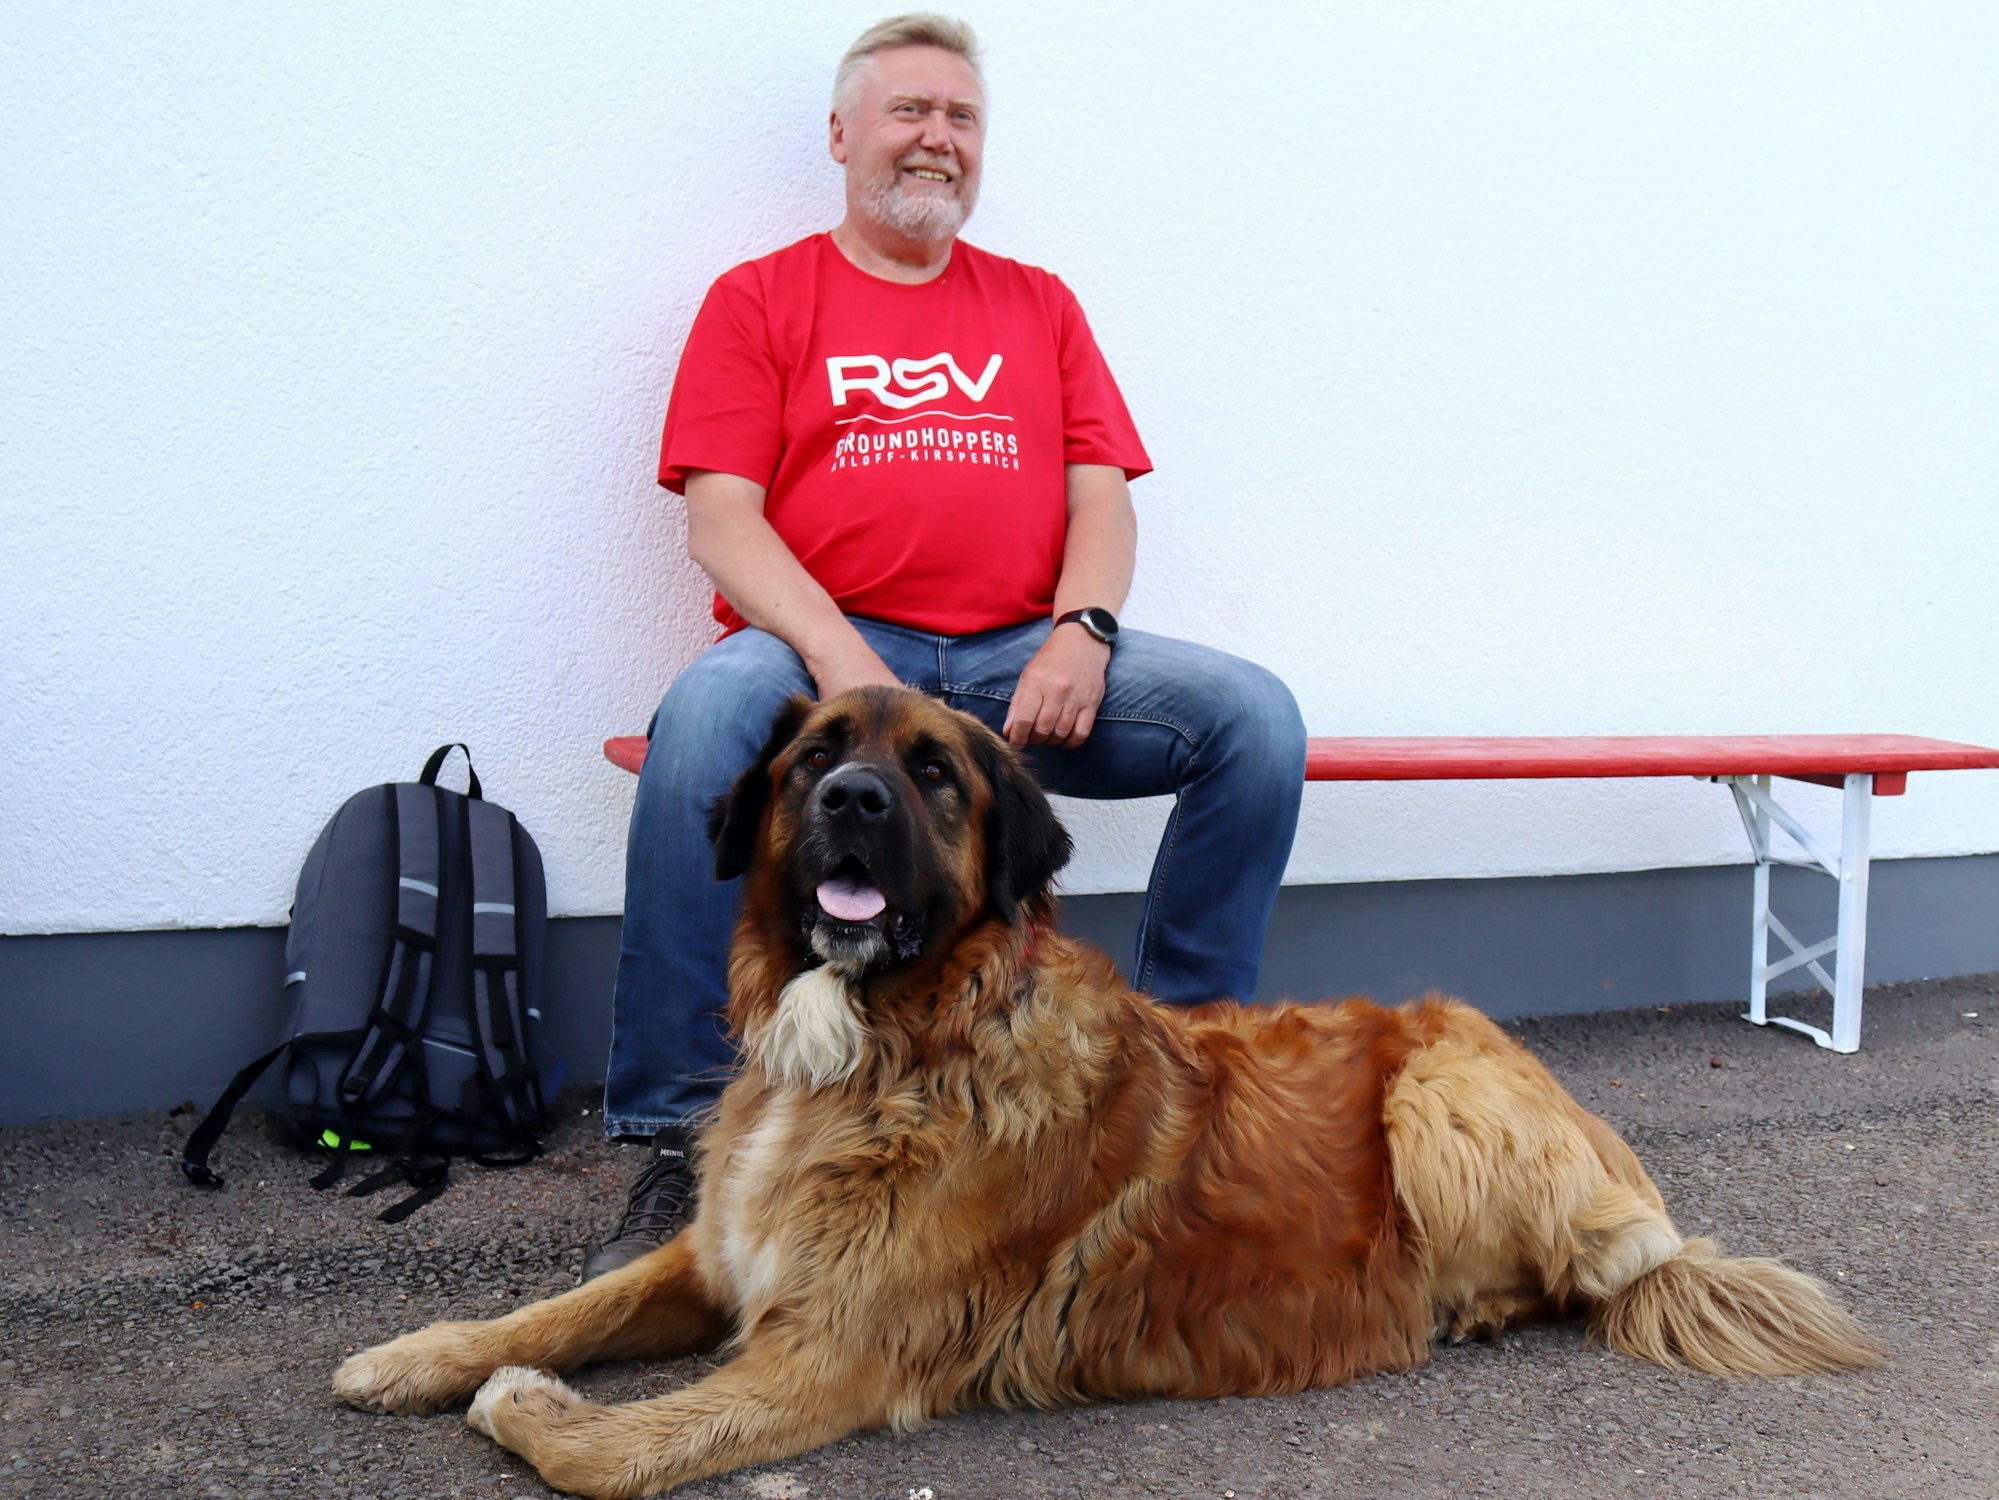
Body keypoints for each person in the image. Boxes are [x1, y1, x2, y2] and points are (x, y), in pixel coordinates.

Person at [585, 13, 1307, 1279]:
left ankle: (1186, 1081)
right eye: (910, 111)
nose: (937, 139)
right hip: (825, 658)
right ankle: (673, 1126)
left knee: (1251, 720)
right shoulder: (760, 298)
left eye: (960, 119)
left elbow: (1102, 497)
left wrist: (1082, 632)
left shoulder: (1039, 304)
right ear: (843, 134)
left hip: (1008, 662)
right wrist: (836, 657)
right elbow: (720, 518)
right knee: (702, 723)